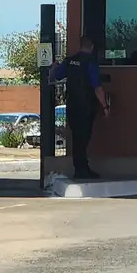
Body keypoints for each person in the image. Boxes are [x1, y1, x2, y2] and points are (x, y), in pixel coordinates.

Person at [48, 36, 109, 180]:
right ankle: (82, 169)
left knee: (76, 137)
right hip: (86, 105)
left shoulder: (69, 61)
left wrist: (53, 67)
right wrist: (105, 106)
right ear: (92, 47)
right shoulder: (90, 63)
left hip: (72, 104)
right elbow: (97, 88)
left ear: (80, 45)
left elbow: (56, 76)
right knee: (84, 137)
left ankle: (80, 168)